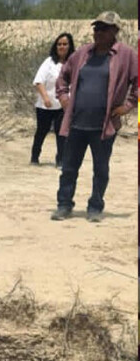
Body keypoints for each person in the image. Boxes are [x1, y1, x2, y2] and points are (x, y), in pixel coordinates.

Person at [51, 11, 137, 222]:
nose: (98, 32)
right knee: (69, 167)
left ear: (115, 31)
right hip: (77, 123)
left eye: (103, 29)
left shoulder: (126, 55)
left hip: (104, 125)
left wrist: (128, 106)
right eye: (96, 28)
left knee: (100, 169)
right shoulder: (82, 53)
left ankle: (95, 207)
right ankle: (64, 205)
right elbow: (62, 78)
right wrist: (63, 99)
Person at [30, 33, 74, 167]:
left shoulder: (73, 62)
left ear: (70, 46)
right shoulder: (49, 62)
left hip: (63, 105)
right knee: (41, 131)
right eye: (59, 44)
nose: (62, 47)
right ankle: (35, 157)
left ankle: (60, 160)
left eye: (65, 44)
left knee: (62, 133)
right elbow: (39, 81)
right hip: (46, 105)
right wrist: (45, 98)